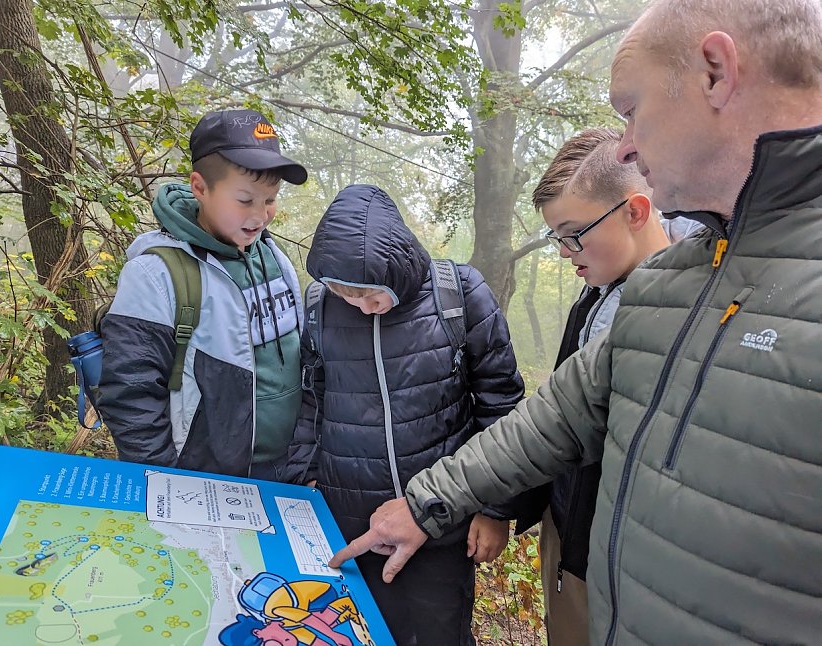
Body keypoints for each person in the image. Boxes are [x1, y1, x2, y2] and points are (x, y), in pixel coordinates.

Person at [330, 1, 822, 643]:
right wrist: (427, 506)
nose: (625, 144)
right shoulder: (670, 283)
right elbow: (554, 420)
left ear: (716, 73)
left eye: (630, 109)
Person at [283, 184, 525, 645]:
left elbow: (501, 406)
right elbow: (311, 398)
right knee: (357, 632)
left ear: (399, 267)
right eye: (346, 294)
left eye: (371, 295)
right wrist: (304, 480)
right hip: (348, 524)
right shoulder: (318, 308)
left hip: (441, 524)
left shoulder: (459, 295)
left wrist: (496, 510)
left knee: (441, 635)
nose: (361, 307)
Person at [514, 127, 699, 645]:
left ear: (636, 212)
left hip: (624, 558)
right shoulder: (595, 295)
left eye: (575, 234)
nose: (565, 252)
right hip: (570, 530)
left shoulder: (690, 308)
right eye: (558, 238)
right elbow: (557, 419)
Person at [98, 109, 307, 480]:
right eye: (245, 200)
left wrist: (306, 458)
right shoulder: (155, 274)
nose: (260, 216)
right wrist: (166, 482)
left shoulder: (274, 257)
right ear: (199, 187)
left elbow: (303, 363)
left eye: (271, 199)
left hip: (287, 470)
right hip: (204, 476)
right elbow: (131, 395)